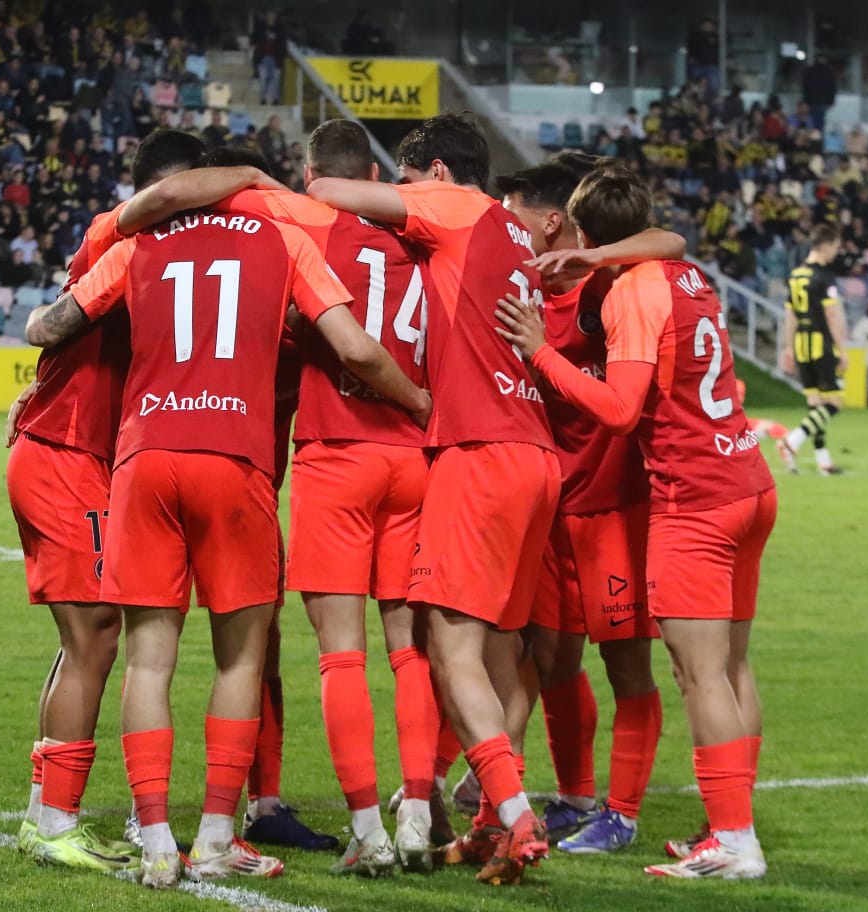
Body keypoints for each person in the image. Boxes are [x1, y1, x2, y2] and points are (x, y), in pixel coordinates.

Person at [27, 144, 431, 891]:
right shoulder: (286, 240)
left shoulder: (141, 242)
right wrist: (418, 401)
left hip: (146, 457)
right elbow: (354, 347)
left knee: (149, 659)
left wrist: (39, 335)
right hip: (235, 459)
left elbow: (49, 327)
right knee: (241, 658)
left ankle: (156, 841)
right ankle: (216, 835)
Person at [495, 164, 777, 880]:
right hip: (745, 478)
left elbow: (620, 411)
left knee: (697, 673)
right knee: (730, 666)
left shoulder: (629, 292)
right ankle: (728, 826)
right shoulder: (685, 276)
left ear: (577, 228)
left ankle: (733, 840)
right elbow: (671, 240)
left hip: (691, 497)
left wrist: (539, 353)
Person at [309, 113, 558, 887]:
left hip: (475, 451)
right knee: (498, 653)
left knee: (449, 652)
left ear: (440, 173)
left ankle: (515, 816)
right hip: (536, 452)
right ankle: (484, 823)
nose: (405, 197)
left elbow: (328, 188)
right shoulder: (517, 231)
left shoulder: (453, 206)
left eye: (411, 180)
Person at [3, 131, 208, 876]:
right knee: (94, 638)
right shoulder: (113, 236)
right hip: (66, 457)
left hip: (72, 454)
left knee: (83, 640)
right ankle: (58, 823)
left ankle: (44, 815)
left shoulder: (167, 260)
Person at [496, 160, 680, 855]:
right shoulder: (519, 287)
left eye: (514, 212)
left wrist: (593, 260)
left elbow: (669, 242)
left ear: (556, 221)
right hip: (550, 508)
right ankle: (575, 796)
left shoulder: (609, 286)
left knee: (626, 666)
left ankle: (622, 814)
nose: (504, 224)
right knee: (552, 661)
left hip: (613, 507)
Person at [778, 224, 849, 476]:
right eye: (836, 247)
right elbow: (832, 314)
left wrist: (788, 347)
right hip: (820, 344)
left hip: (801, 344)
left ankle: (823, 460)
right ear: (826, 245)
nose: (836, 253)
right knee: (835, 403)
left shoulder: (796, 275)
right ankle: (792, 441)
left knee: (815, 404)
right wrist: (842, 348)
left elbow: (790, 315)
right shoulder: (824, 277)